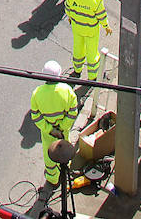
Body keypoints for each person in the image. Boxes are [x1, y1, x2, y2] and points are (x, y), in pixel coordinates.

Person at [30, 61, 78, 190]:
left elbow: (36, 116)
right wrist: (62, 127)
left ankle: (53, 180)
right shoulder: (67, 90)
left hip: (48, 134)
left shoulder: (37, 93)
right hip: (63, 131)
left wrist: (51, 130)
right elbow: (73, 112)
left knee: (49, 156)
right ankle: (65, 172)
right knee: (64, 151)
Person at [65, 0, 111, 82]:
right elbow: (102, 16)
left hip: (77, 28)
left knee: (78, 49)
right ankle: (92, 76)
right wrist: (106, 27)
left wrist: (71, 18)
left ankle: (77, 70)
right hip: (91, 31)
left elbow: (68, 9)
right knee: (92, 53)